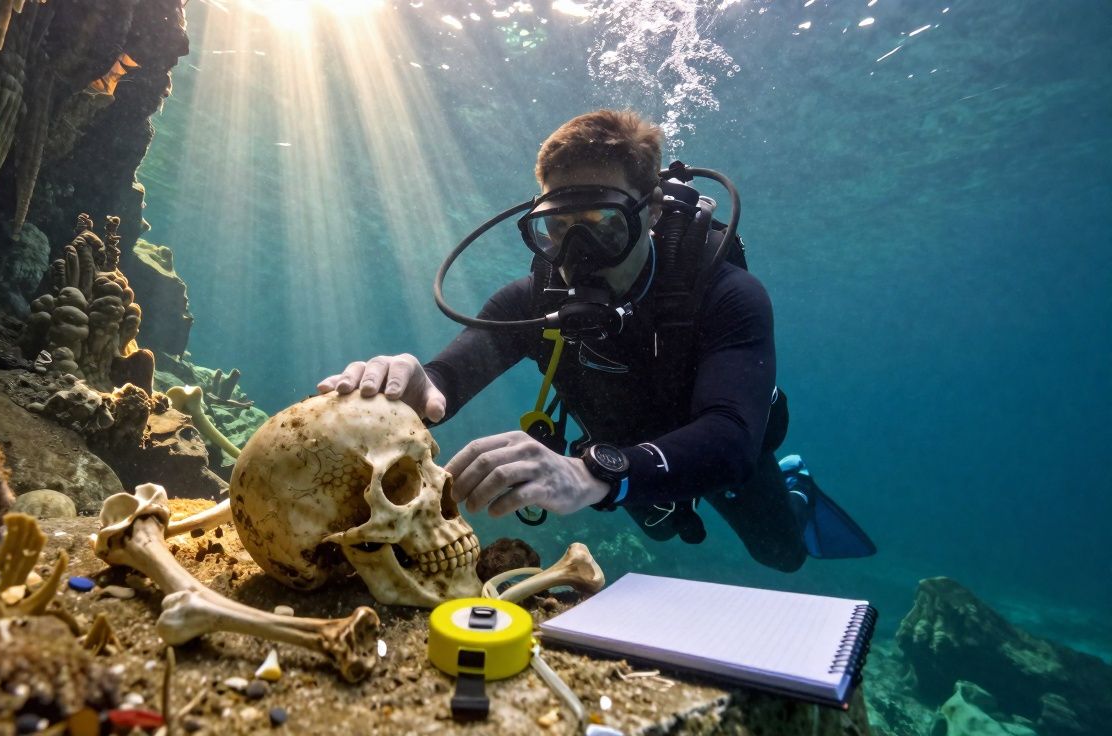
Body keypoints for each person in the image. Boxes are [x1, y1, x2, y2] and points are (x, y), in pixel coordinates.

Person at [317, 109, 872, 572]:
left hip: (704, 451)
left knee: (781, 555)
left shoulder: (727, 294)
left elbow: (730, 440)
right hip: (623, 460)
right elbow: (447, 380)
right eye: (558, 228)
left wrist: (591, 473)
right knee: (663, 530)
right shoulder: (530, 303)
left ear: (650, 212)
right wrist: (420, 383)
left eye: (603, 223)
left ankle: (796, 487)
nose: (576, 254)